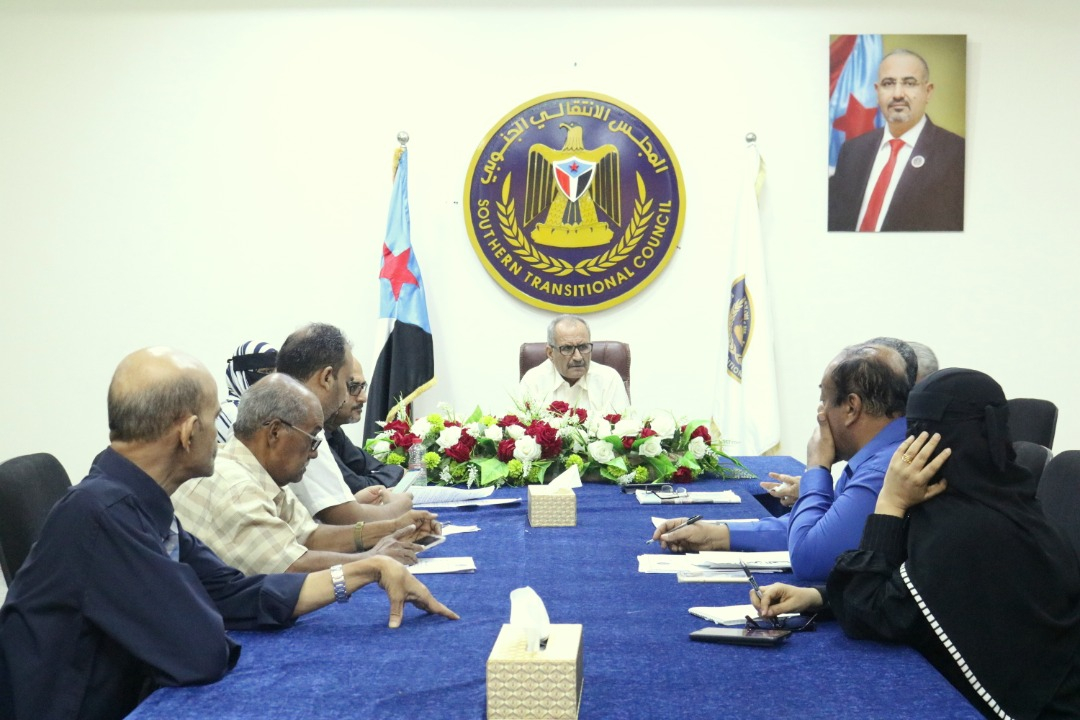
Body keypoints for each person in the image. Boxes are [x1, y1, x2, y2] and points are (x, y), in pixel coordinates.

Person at [0, 347, 457, 720]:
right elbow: (200, 651)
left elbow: (233, 592)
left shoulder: (137, 503)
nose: (226, 433)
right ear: (189, 431)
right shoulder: (103, 515)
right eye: (215, 417)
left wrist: (366, 570)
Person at [752, 369, 1080, 718]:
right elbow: (905, 594)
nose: (908, 449)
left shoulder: (965, 526)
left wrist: (889, 503)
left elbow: (871, 614)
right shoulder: (995, 496)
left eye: (922, 433)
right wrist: (819, 598)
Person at [652, 343, 909, 581]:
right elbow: (823, 528)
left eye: (824, 401)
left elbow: (809, 558)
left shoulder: (885, 469)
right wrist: (715, 534)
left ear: (851, 408)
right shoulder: (884, 453)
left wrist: (817, 466)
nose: (820, 412)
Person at [171, 373, 436, 575]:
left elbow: (309, 536)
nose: (314, 454)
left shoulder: (259, 471)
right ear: (275, 432)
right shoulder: (236, 486)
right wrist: (373, 560)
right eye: (312, 439)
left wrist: (393, 529)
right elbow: (289, 567)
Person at [276, 323, 410, 525]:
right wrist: (399, 508)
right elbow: (344, 520)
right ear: (327, 378)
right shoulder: (298, 427)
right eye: (349, 384)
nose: (361, 397)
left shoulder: (283, 411)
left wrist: (353, 503)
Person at [828, 49, 965, 232]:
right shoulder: (852, 151)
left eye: (909, 83)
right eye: (888, 83)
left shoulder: (957, 154)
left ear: (928, 91)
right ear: (877, 92)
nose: (898, 94)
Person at [517, 314, 629, 416]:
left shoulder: (609, 379)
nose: (578, 357)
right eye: (567, 348)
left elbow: (624, 428)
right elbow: (521, 427)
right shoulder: (533, 382)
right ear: (550, 353)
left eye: (583, 347)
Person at [327, 353, 405, 492]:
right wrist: (399, 471)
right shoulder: (312, 437)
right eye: (354, 387)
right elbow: (359, 487)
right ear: (325, 381)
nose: (363, 398)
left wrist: (395, 472)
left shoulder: (333, 430)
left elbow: (374, 467)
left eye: (363, 386)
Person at [216, 341, 278, 443]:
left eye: (276, 373)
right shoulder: (231, 413)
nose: (273, 379)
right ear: (242, 375)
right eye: (266, 372)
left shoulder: (269, 412)